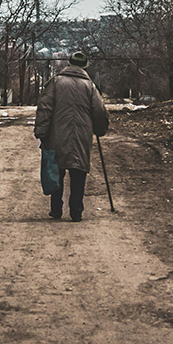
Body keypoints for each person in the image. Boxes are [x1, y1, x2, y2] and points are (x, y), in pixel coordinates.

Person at [34, 51, 110, 222]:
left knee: (57, 172)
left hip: (56, 135)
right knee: (79, 172)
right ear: (85, 67)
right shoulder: (90, 86)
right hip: (81, 136)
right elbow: (99, 112)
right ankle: (76, 211)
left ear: (69, 63)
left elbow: (44, 108)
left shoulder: (55, 82)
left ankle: (56, 209)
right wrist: (99, 129)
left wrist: (41, 132)